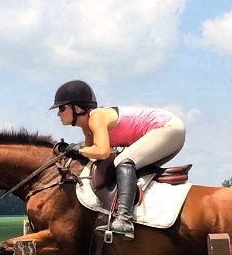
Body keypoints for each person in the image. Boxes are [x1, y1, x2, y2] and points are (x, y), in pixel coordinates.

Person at [50, 79, 186, 239]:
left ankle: (124, 220)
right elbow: (91, 156)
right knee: (125, 165)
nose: (58, 113)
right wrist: (74, 150)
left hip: (168, 129)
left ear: (77, 108)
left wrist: (78, 149)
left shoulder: (96, 117)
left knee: (123, 162)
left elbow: (102, 152)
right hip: (168, 132)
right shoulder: (87, 129)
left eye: (62, 108)